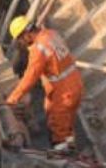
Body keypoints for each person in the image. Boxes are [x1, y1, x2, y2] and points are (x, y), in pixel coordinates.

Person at [6, 16, 84, 152]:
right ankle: (71, 148)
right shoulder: (51, 34)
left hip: (63, 93)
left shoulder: (39, 49)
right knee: (67, 124)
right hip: (75, 84)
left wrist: (13, 99)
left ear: (26, 35)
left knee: (58, 128)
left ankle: (64, 156)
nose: (22, 43)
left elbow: (30, 77)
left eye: (20, 40)